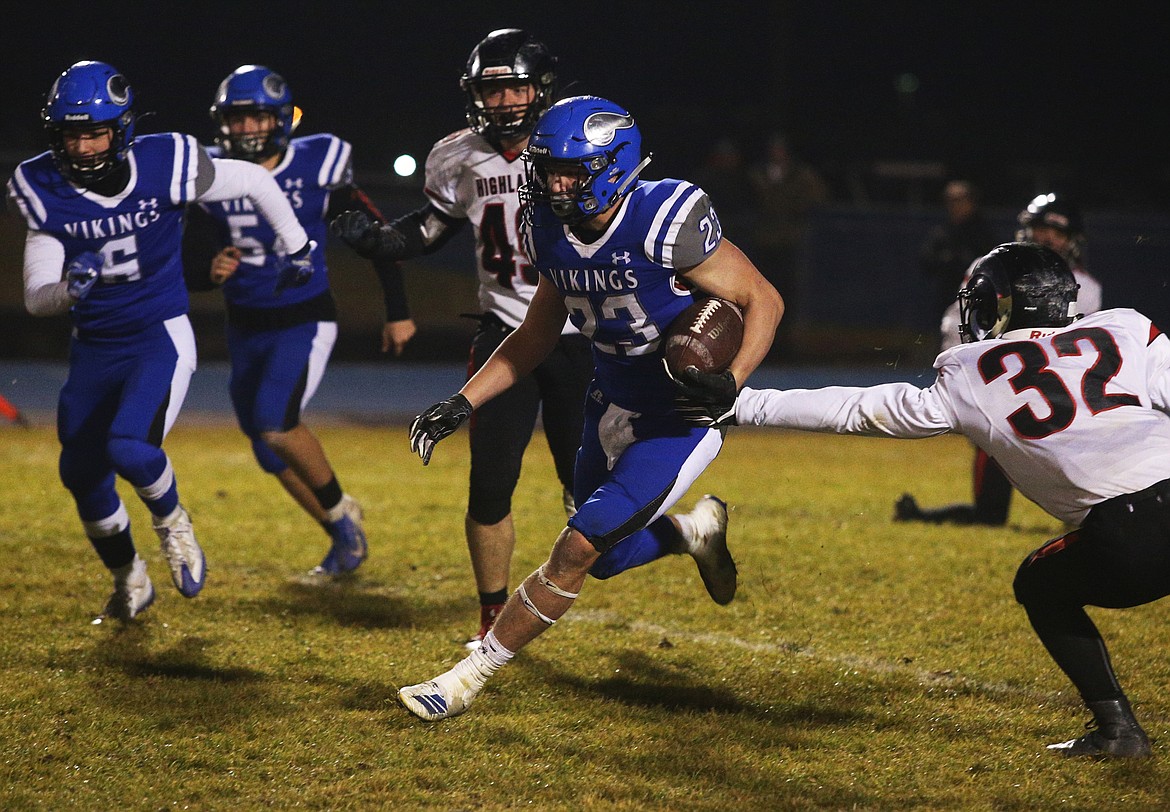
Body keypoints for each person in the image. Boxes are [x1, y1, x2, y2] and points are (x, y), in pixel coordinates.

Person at [395, 95, 784, 721]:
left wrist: (733, 380)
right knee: (603, 560)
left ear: (611, 166)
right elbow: (534, 336)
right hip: (606, 406)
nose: (553, 184)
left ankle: (466, 679)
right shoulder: (547, 226)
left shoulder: (665, 217)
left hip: (676, 417)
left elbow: (763, 298)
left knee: (575, 550)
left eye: (569, 172)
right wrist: (461, 403)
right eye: (548, 170)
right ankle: (693, 530)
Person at [717, 242, 1164, 758]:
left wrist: (743, 403)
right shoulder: (1126, 328)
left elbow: (863, 408)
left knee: (1041, 585)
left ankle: (1119, 731)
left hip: (1127, 532)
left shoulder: (973, 369)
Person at [6, 61, 313, 621]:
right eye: (72, 133)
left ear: (120, 130)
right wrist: (67, 293)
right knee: (80, 473)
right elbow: (36, 295)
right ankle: (131, 581)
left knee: (129, 447)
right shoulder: (43, 186)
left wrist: (297, 247)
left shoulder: (165, 161)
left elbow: (254, 180)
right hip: (94, 345)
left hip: (158, 335)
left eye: (94, 131)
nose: (83, 145)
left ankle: (174, 524)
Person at [330, 29, 594, 645]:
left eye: (514, 87)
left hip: (583, 335)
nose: (503, 103)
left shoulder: (575, 140)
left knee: (590, 494)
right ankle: (492, 614)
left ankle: (684, 532)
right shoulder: (457, 156)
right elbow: (432, 226)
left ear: (542, 88)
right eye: (491, 90)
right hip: (505, 333)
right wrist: (386, 240)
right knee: (489, 482)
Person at [183, 65, 415, 577]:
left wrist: (397, 310)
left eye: (256, 119)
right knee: (267, 449)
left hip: (304, 317)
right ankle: (343, 537)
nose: (245, 130)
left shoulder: (317, 165)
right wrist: (207, 270)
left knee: (275, 420)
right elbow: (188, 255)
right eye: (237, 120)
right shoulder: (211, 173)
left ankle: (339, 510)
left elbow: (376, 236)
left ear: (281, 120)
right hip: (244, 322)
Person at [898, 193, 1101, 525]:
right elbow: (959, 326)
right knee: (991, 510)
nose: (1048, 238)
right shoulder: (992, 268)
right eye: (1041, 228)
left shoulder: (1088, 288)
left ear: (1072, 240)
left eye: (1058, 232)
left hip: (1059, 396)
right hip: (1002, 384)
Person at [746, 131, 828, 349]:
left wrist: (795, 207)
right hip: (764, 241)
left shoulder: (800, 174)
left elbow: (817, 196)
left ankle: (787, 342)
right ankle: (762, 342)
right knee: (760, 292)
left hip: (790, 243)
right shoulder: (757, 174)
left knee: (789, 294)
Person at [917, 179, 995, 323]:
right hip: (947, 295)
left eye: (959, 200)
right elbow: (926, 261)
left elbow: (989, 264)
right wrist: (947, 261)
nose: (954, 205)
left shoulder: (982, 232)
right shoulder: (943, 232)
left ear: (971, 201)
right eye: (950, 200)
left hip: (976, 297)